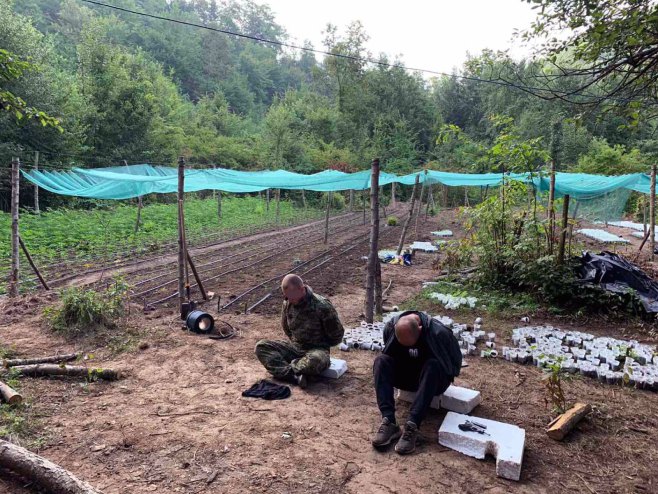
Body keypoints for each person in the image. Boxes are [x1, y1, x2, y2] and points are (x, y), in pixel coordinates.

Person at [371, 311, 462, 455]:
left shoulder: (439, 333)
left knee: (433, 365)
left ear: (420, 328)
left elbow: (455, 365)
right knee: (381, 361)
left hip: (432, 381)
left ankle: (412, 425)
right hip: (407, 376)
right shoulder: (390, 327)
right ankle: (389, 421)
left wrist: (439, 372)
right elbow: (389, 353)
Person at [255, 274, 344, 388]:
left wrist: (322, 346)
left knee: (315, 361)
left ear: (302, 289)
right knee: (261, 346)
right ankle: (295, 375)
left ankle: (286, 369)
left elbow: (336, 335)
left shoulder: (322, 306)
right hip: (295, 347)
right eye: (287, 297)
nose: (290, 300)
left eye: (292, 297)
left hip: (317, 350)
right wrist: (294, 345)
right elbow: (286, 328)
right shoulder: (287, 303)